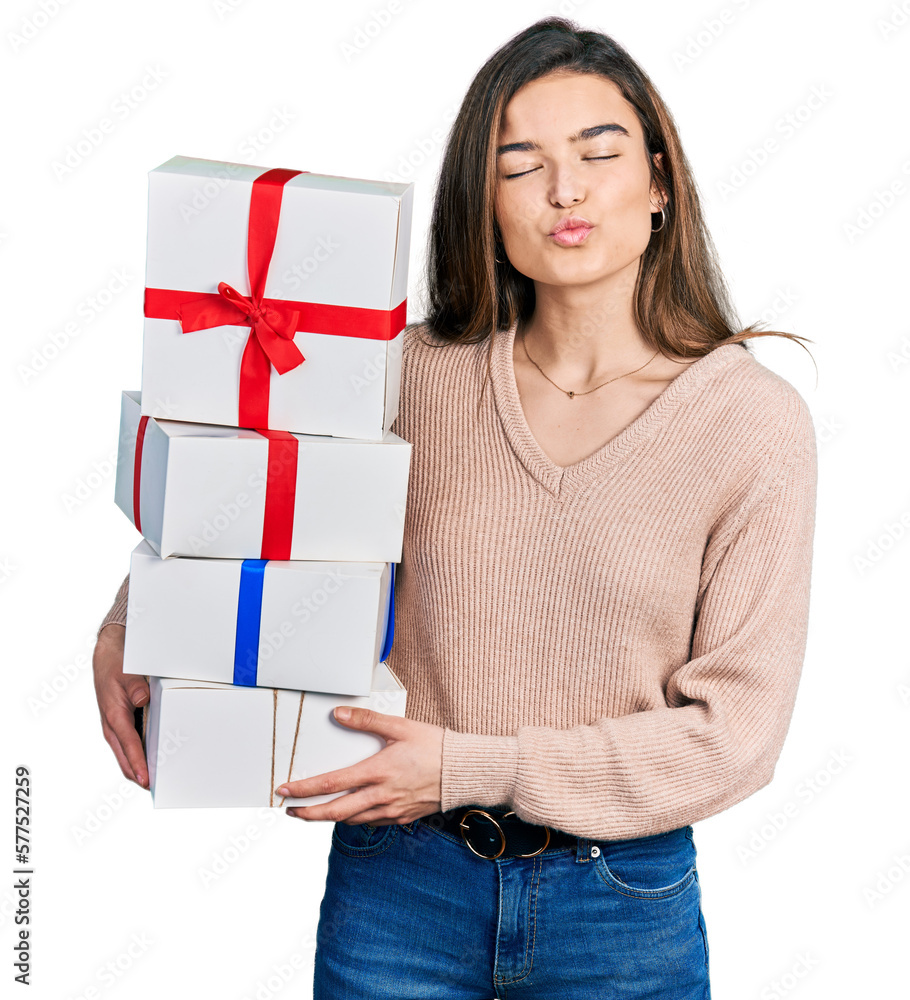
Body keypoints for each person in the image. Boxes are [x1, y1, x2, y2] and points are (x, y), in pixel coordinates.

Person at [93, 17, 818, 999]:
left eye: (598, 153)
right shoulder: (408, 376)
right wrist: (136, 622)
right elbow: (249, 492)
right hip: (400, 885)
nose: (564, 189)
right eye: (520, 165)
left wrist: (472, 766)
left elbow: (734, 735)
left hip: (621, 906)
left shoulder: (751, 422)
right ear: (485, 205)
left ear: (659, 183)